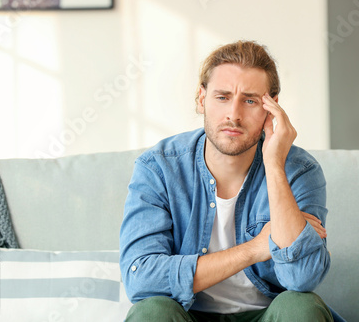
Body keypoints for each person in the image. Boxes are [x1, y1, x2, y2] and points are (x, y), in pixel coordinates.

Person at [120, 40, 334, 321]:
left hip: (266, 315)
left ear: (271, 108)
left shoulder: (299, 170)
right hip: (187, 316)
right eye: (222, 97)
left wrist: (274, 164)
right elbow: (140, 280)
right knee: (151, 313)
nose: (234, 115)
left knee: (301, 308)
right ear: (201, 99)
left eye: (250, 100)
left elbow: (302, 278)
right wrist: (255, 249)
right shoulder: (159, 168)